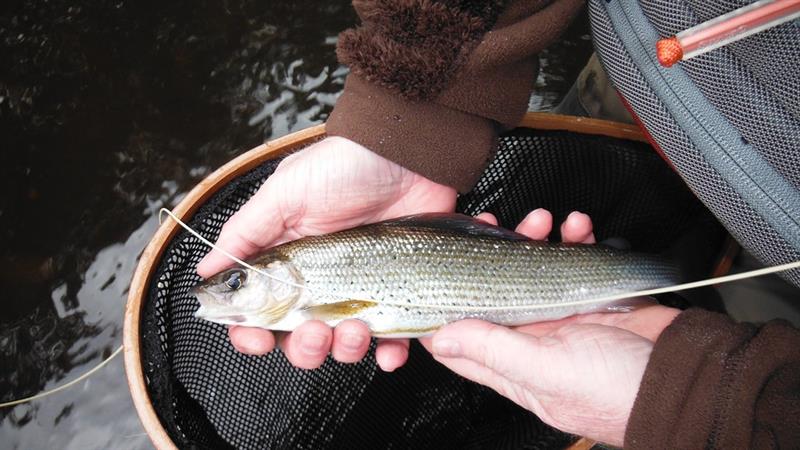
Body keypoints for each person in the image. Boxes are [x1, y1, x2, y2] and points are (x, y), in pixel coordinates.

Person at [197, 0, 800, 447]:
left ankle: (688, 276)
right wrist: (410, 115)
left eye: (235, 284)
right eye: (235, 283)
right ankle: (681, 269)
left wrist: (708, 403)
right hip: (660, 64)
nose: (226, 288)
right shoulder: (309, 274)